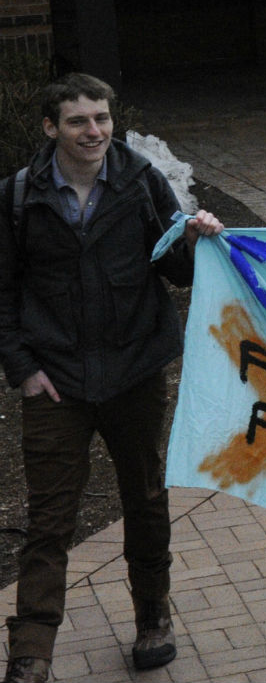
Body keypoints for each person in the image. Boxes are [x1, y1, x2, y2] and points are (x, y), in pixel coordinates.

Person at [2, 74, 224, 683]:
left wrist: (198, 239)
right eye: (78, 121)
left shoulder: (140, 182)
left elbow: (174, 270)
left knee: (146, 499)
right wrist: (23, 370)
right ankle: (31, 654)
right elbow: (3, 292)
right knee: (49, 520)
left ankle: (153, 615)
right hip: (56, 382)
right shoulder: (18, 197)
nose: (93, 131)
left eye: (101, 118)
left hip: (135, 372)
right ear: (51, 128)